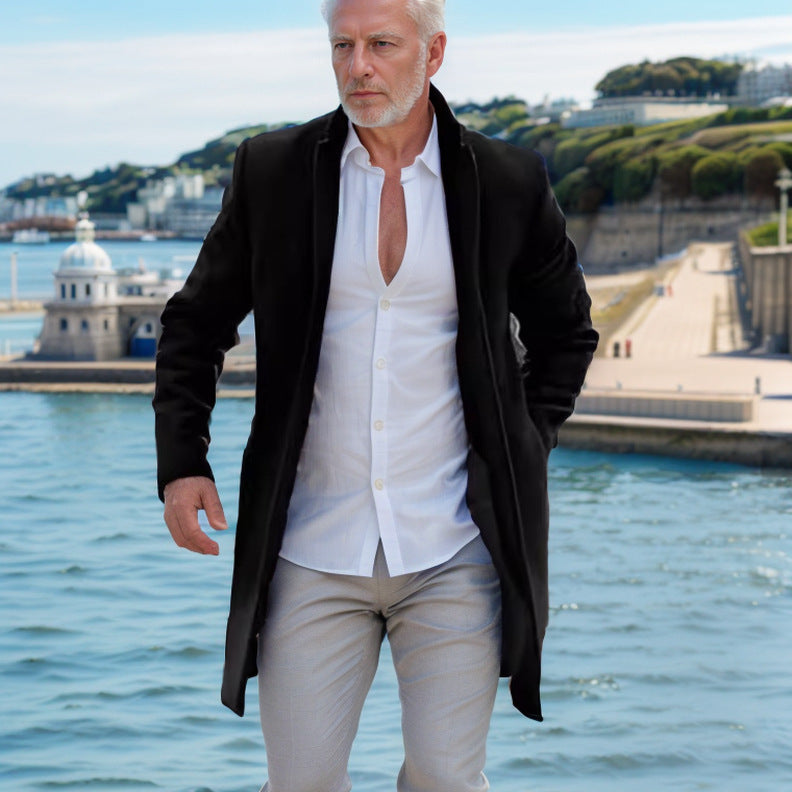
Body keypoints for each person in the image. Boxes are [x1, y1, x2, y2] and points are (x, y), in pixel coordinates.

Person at [153, 0, 598, 789]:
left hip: (456, 546)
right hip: (311, 546)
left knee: (446, 779)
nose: (358, 65)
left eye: (381, 45)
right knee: (302, 782)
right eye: (343, 46)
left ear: (432, 54)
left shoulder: (506, 181)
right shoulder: (273, 172)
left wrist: (524, 442)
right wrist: (183, 462)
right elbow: (195, 325)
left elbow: (567, 333)